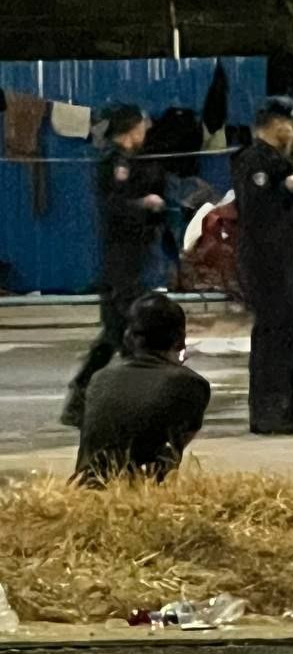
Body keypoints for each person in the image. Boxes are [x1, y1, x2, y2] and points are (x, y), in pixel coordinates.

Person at [62, 105, 166, 429]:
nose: (146, 130)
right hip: (120, 259)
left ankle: (82, 398)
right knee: (128, 332)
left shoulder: (136, 160)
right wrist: (143, 204)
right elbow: (113, 206)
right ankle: (130, 400)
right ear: (131, 129)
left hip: (132, 256)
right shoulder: (114, 162)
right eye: (142, 125)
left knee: (114, 334)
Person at [71, 293, 211, 487]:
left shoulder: (100, 378)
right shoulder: (191, 383)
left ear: (128, 338)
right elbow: (177, 441)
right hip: (142, 491)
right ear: (180, 340)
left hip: (85, 489)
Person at [232, 97, 293, 435]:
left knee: (284, 333)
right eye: (289, 124)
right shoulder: (256, 161)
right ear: (274, 124)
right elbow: (257, 212)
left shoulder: (279, 160)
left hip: (283, 258)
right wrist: (282, 188)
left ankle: (280, 404)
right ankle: (266, 410)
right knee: (270, 335)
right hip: (266, 261)